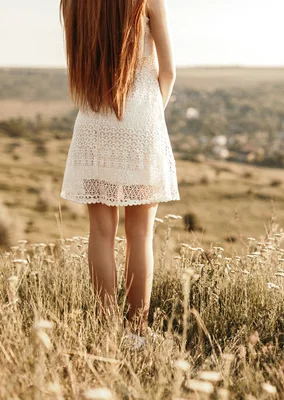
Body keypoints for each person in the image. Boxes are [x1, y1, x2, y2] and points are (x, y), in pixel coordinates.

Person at [58, 0, 179, 343]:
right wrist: (149, 116)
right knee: (140, 235)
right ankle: (137, 331)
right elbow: (167, 72)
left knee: (100, 232)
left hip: (94, 123)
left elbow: (81, 67)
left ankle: (106, 329)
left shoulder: (74, 4)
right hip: (140, 120)